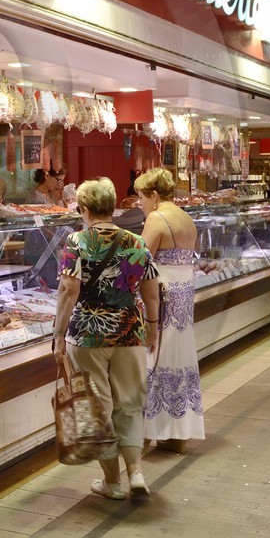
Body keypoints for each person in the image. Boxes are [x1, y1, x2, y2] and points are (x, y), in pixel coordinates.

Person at [52, 177, 161, 501]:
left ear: (84, 209)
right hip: (130, 330)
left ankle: (112, 484)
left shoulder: (77, 241)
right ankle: (137, 473)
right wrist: (152, 328)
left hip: (88, 336)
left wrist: (58, 334)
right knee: (129, 405)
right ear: (112, 206)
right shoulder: (137, 241)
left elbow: (69, 290)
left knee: (99, 408)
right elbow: (151, 292)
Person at [135, 167, 203, 451]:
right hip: (184, 292)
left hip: (161, 295)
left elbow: (140, 260)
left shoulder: (157, 217)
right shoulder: (186, 217)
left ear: (153, 195)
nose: (140, 204)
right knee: (180, 355)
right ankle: (178, 432)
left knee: (156, 356)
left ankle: (153, 429)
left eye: (140, 198)